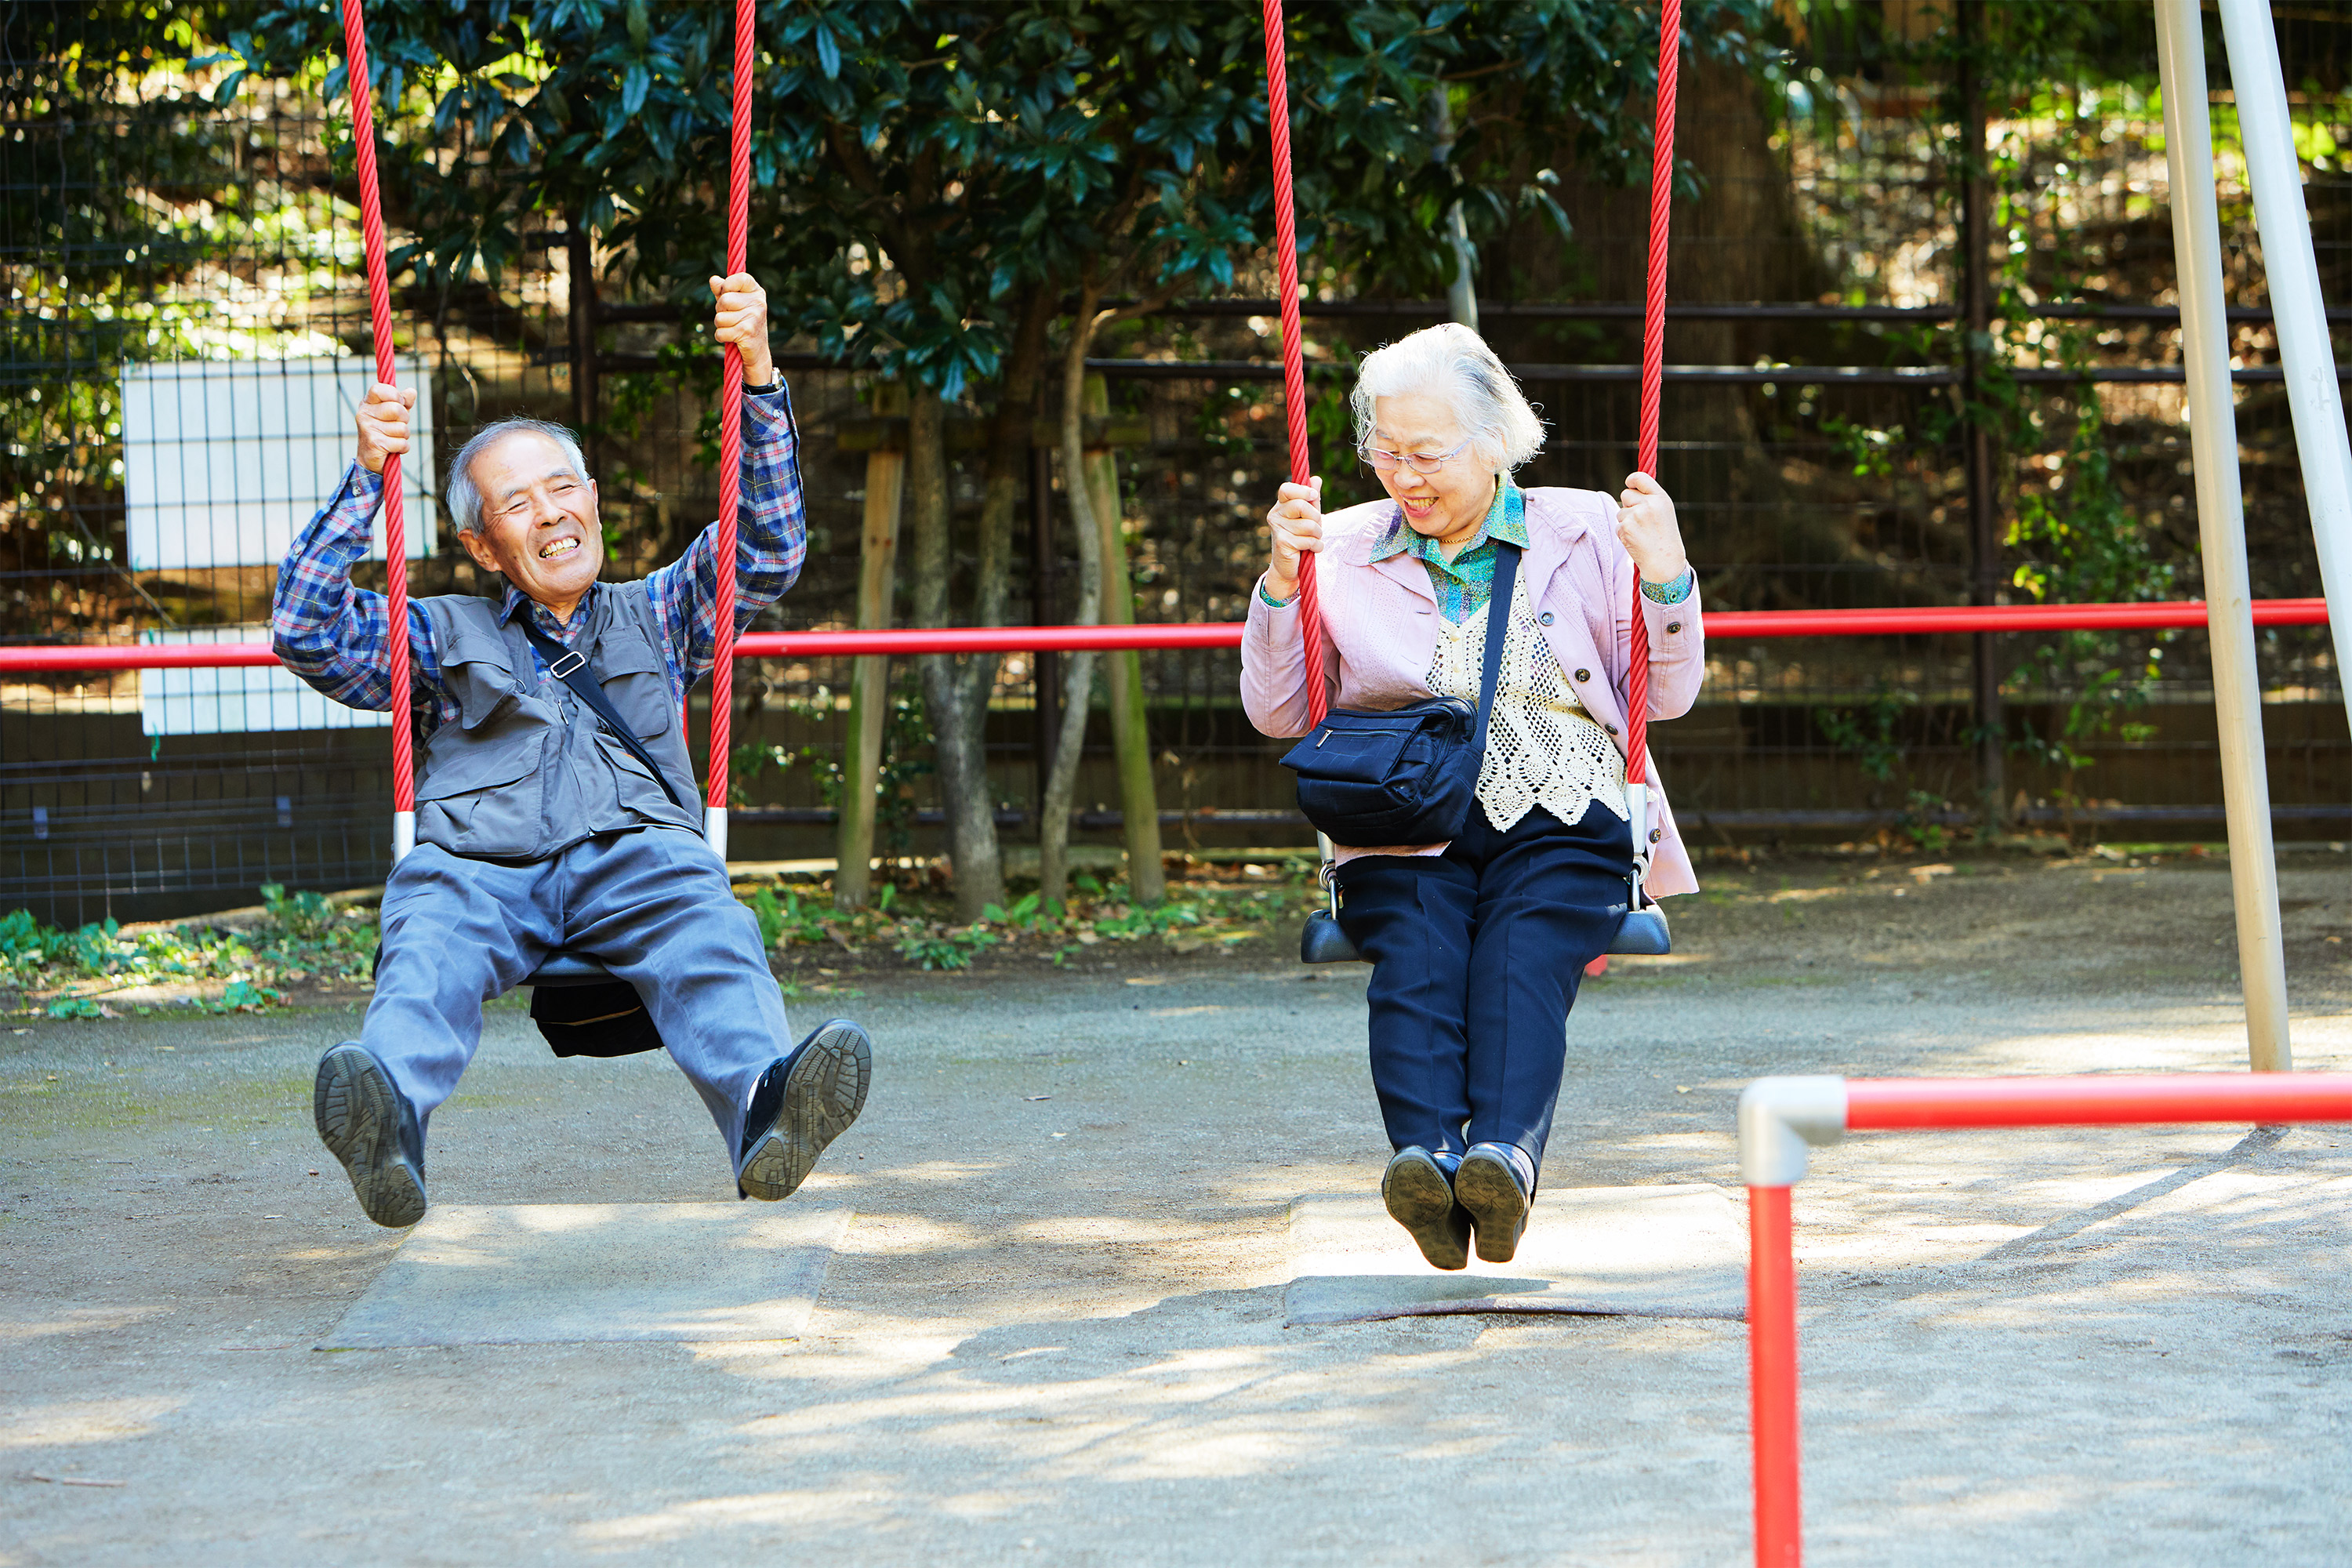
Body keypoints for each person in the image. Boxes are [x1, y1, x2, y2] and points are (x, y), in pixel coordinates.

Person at [274, 273, 869, 1229]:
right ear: (480, 544)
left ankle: (768, 1109)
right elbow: (306, 629)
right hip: (479, 862)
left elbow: (769, 548)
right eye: (517, 504)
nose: (549, 513)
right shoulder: (437, 632)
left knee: (709, 928)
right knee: (425, 945)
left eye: (562, 488)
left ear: (592, 498)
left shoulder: (663, 608)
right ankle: (387, 1122)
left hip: (638, 855)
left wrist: (759, 373)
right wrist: (362, 479)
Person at [1240, 323, 1704, 1270]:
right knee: (1413, 951)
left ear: (1495, 441)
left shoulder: (1588, 532)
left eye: (1427, 453)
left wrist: (1667, 574)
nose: (1404, 476)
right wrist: (1283, 583)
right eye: (1385, 450)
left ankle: (1499, 1163)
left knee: (1522, 952)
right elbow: (1280, 710)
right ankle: (1427, 1163)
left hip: (1565, 803)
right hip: (1407, 809)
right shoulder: (1337, 544)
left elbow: (1667, 694)